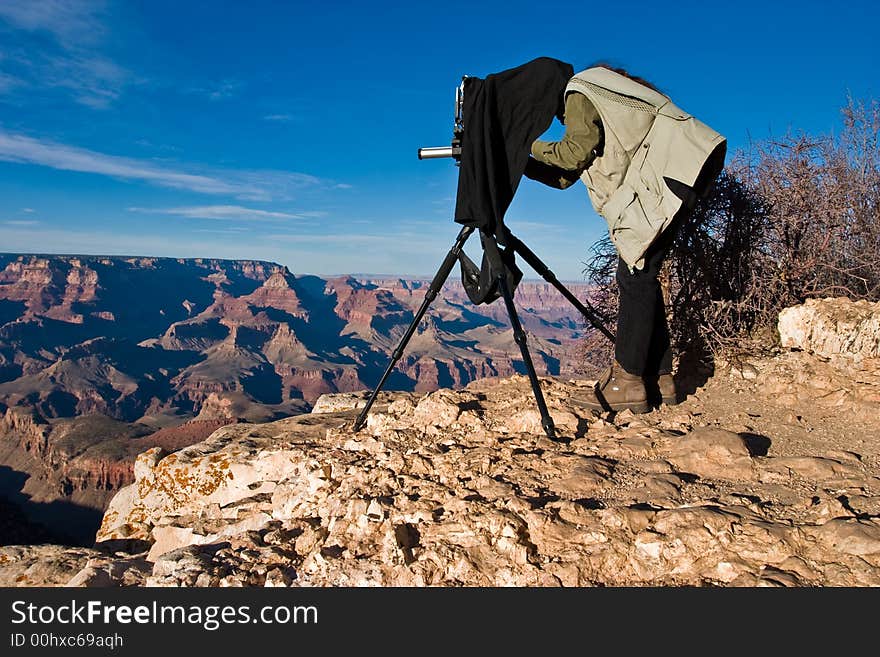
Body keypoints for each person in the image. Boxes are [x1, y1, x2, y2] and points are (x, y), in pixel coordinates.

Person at [524, 63, 726, 413]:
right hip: (687, 166)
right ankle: (659, 378)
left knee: (635, 276)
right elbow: (565, 176)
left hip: (675, 167)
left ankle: (629, 381)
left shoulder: (578, 90)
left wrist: (526, 143)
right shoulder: (602, 91)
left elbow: (573, 153)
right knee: (641, 273)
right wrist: (519, 162)